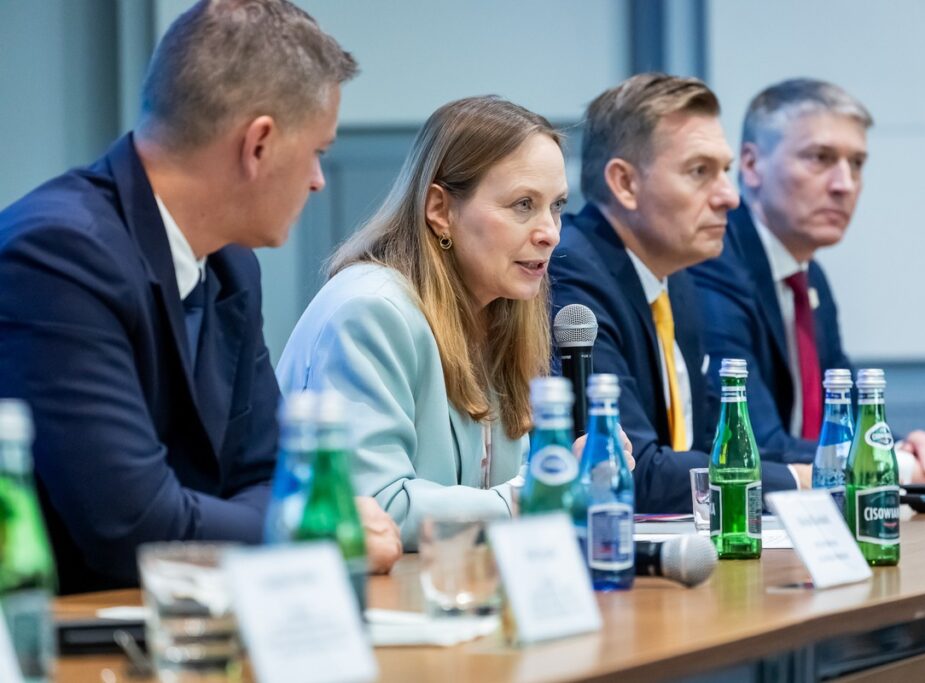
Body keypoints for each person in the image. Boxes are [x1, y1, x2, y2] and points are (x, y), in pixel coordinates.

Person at [0, 0, 400, 594]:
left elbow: (272, 473)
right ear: (257, 145)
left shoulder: (231, 264)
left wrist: (287, 518)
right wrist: (316, 532)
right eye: (317, 151)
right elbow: (133, 523)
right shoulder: (59, 255)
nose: (320, 180)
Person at [278, 95, 615, 547]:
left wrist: (571, 469)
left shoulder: (500, 309)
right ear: (440, 209)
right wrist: (533, 498)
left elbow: (493, 494)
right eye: (522, 205)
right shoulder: (371, 310)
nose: (550, 232)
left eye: (556, 206)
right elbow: (376, 507)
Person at [548, 73, 806, 515]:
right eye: (699, 171)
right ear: (625, 183)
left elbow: (707, 443)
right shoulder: (573, 276)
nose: (730, 197)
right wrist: (803, 479)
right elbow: (636, 471)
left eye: (725, 171)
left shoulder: (677, 277)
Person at [691, 78, 925, 481]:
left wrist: (910, 447)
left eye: (857, 164)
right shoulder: (714, 261)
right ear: (751, 165)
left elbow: (849, 424)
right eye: (820, 158)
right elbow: (756, 441)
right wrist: (905, 465)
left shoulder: (810, 277)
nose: (844, 184)